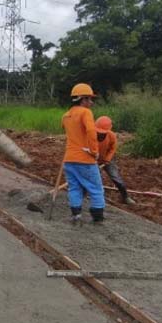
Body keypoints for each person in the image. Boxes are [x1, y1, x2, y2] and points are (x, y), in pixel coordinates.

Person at [62, 83, 105, 223]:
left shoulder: (66, 115)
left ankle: (76, 214)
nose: (91, 103)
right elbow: (91, 132)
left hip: (69, 159)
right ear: (83, 99)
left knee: (74, 187)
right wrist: (94, 151)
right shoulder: (86, 112)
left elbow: (69, 133)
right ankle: (98, 217)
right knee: (96, 188)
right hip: (85, 158)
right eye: (90, 99)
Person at [95, 116, 136, 205]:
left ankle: (125, 197)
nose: (100, 133)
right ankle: (90, 196)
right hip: (94, 160)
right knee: (94, 179)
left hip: (107, 160)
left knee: (116, 177)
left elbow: (112, 149)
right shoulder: (91, 135)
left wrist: (107, 159)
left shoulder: (111, 136)